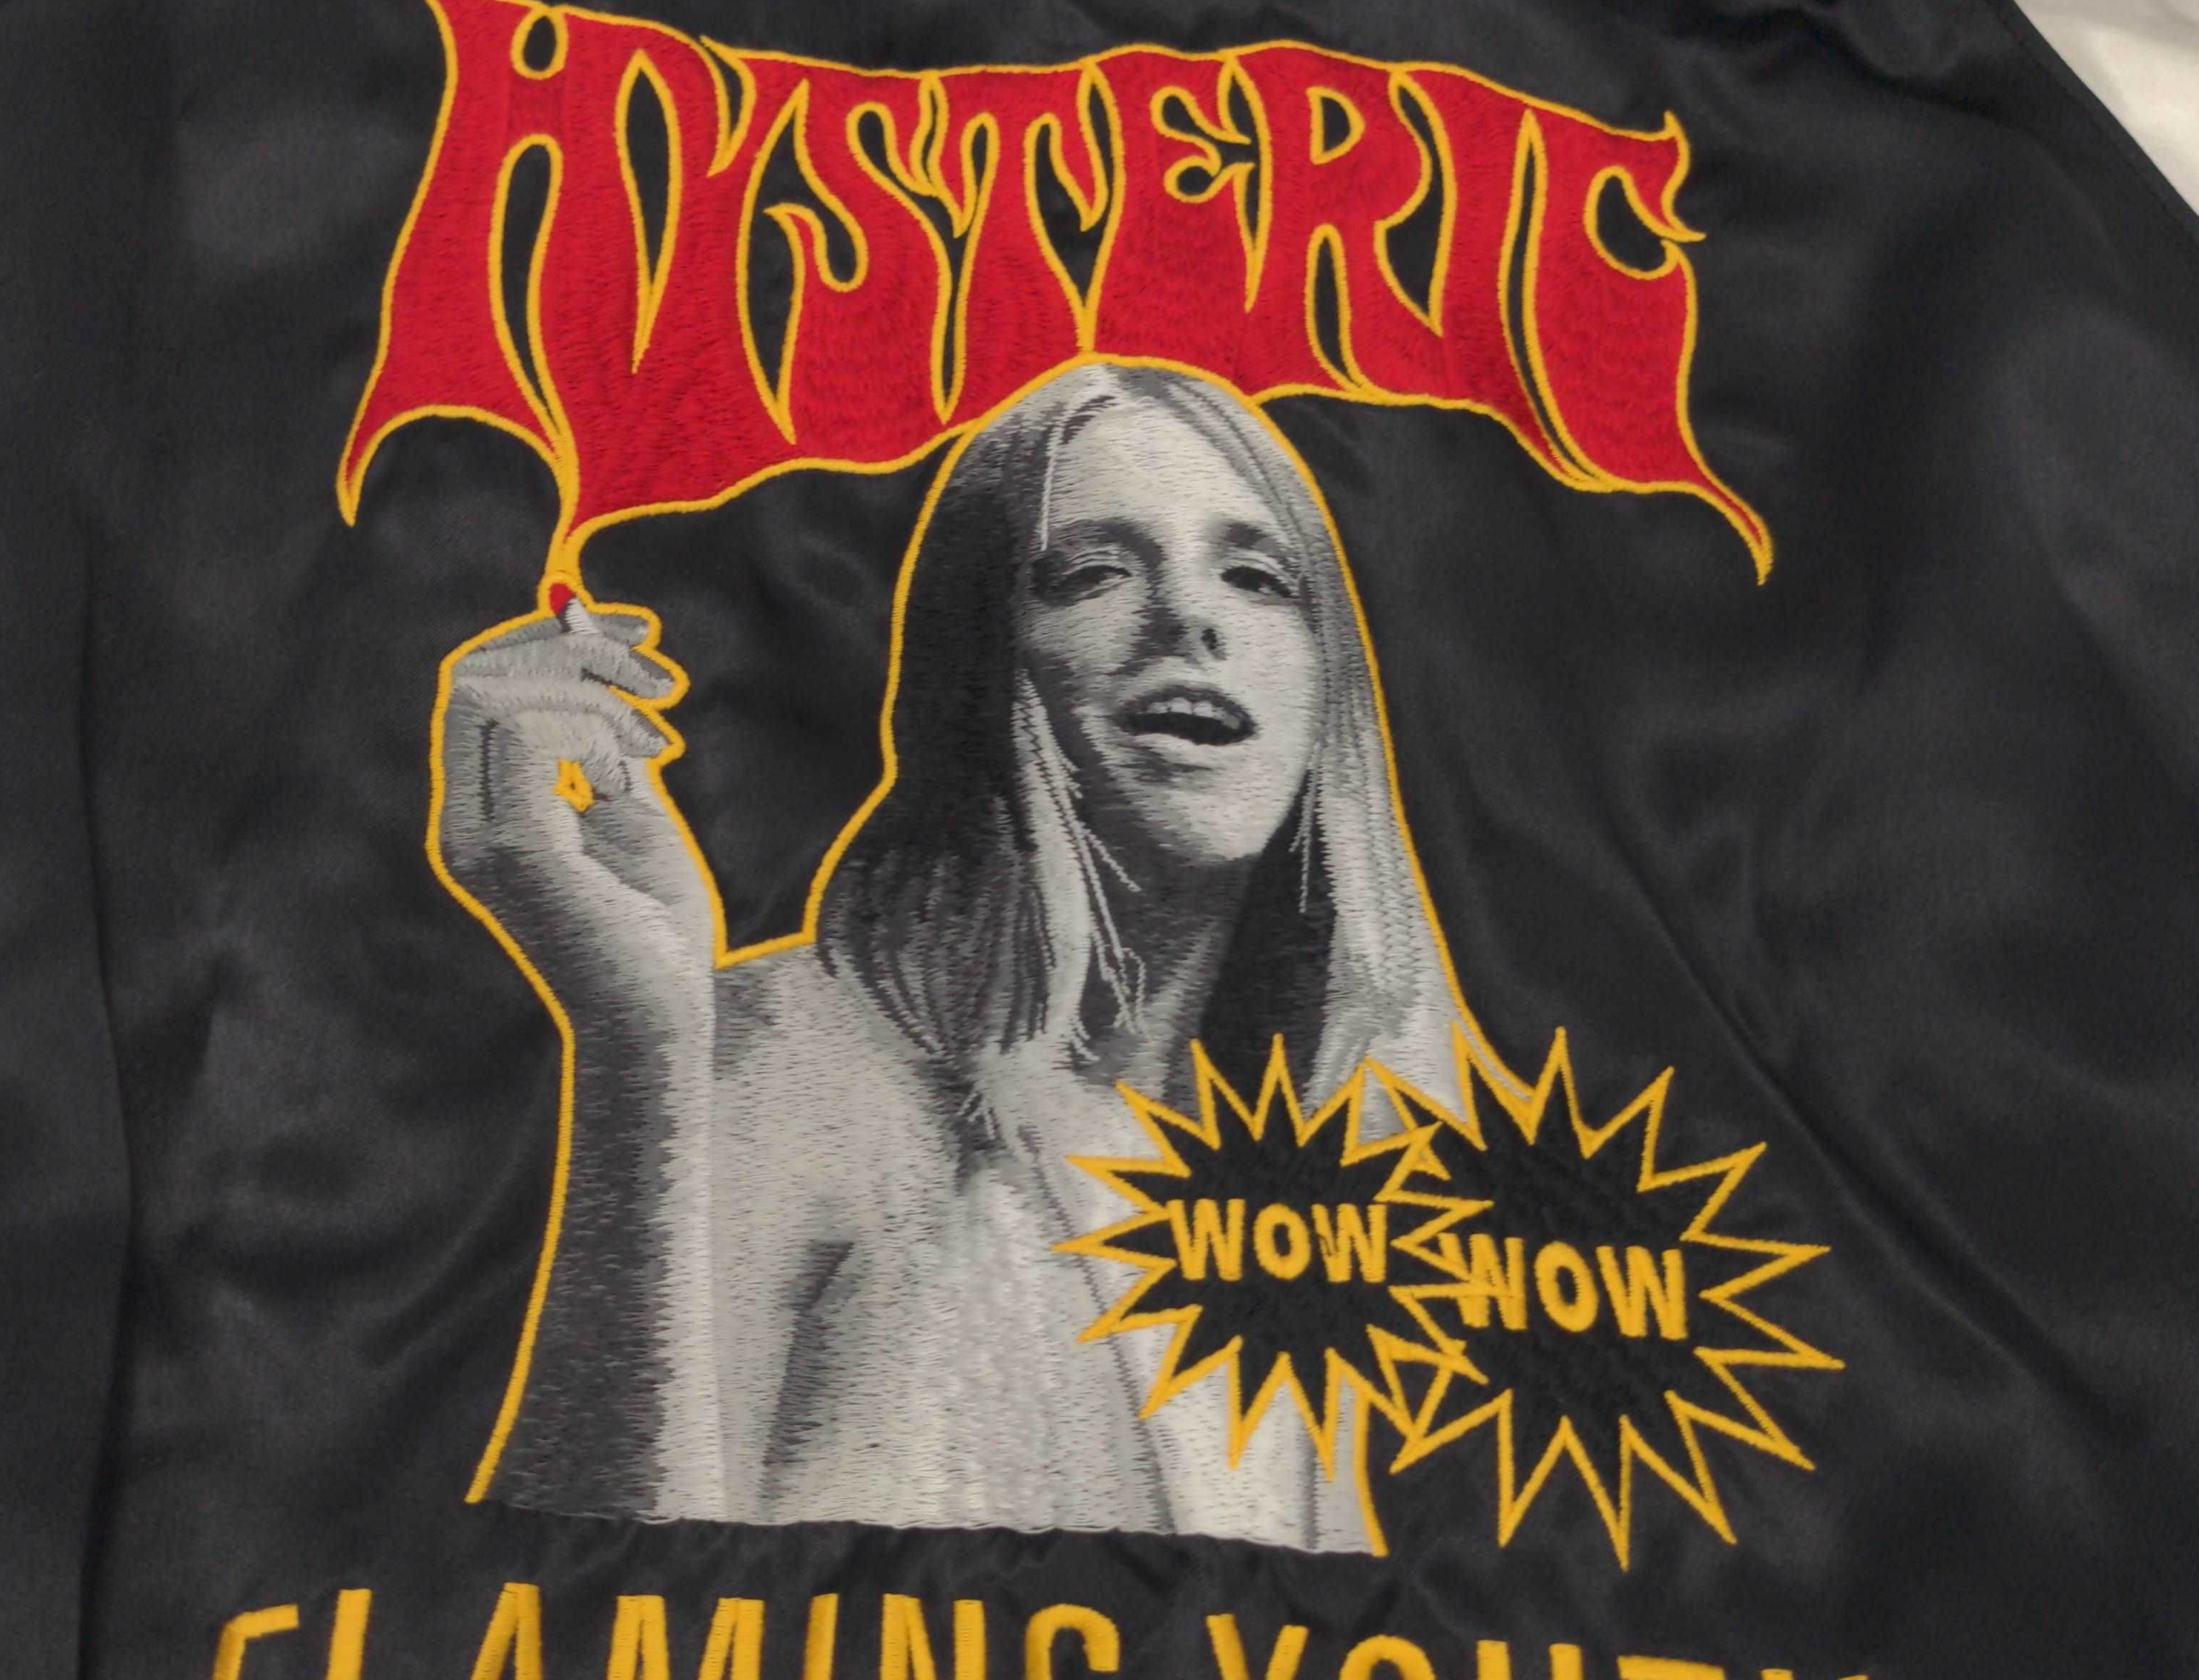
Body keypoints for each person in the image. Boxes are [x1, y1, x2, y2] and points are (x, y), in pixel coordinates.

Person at [438, 361, 1467, 1549]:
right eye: (1093, 572)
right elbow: (583, 1608)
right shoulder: (788, 1062)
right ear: (982, 662)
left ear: (1329, 684)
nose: (1191, 619)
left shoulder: (1313, 1186)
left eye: (1259, 576)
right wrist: (639, 1048)